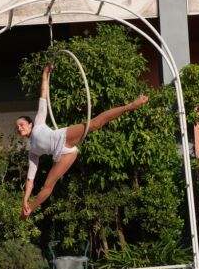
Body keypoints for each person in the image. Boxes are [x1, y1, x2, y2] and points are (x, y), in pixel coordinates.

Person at [16, 65, 149, 219]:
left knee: (94, 124)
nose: (19, 128)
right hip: (62, 156)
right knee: (47, 186)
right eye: (17, 127)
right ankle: (29, 210)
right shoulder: (32, 151)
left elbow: (43, 94)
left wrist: (45, 74)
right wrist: (25, 199)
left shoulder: (38, 121)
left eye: (22, 124)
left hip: (63, 137)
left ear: (30, 124)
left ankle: (131, 105)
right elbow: (30, 179)